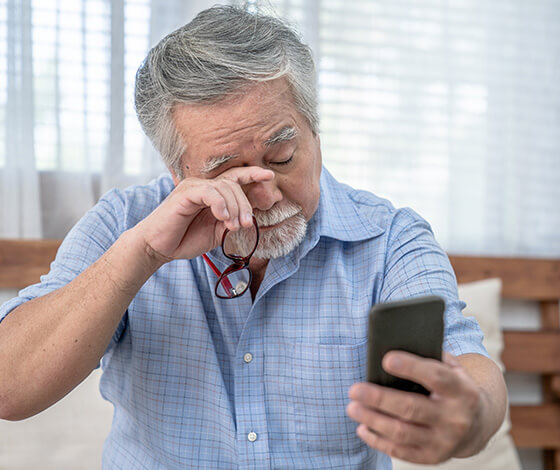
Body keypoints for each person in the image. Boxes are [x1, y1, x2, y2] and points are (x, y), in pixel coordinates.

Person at [0, 5, 506, 469]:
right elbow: (10, 388)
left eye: (282, 158)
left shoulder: (390, 238)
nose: (262, 195)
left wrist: (471, 415)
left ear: (315, 131)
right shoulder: (123, 223)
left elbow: (469, 367)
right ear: (178, 172)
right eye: (226, 172)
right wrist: (145, 253)